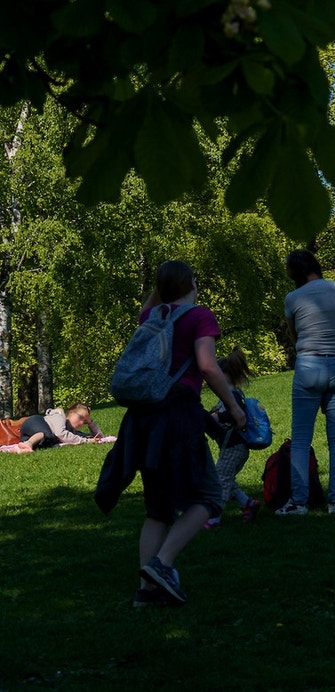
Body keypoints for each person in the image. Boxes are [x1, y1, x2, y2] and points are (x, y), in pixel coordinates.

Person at [94, 260, 247, 608]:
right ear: (192, 282)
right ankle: (161, 565)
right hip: (177, 418)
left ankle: (145, 592)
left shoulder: (153, 318)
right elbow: (208, 365)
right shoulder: (199, 317)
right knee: (208, 495)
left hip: (142, 422)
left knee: (158, 509)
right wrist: (234, 408)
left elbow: (145, 308)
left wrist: (161, 288)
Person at [280, 249, 335, 517]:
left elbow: (293, 334)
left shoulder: (292, 298)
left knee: (300, 439)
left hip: (309, 365)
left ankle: (299, 502)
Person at [205, 349, 262, 529]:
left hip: (235, 447)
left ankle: (214, 518)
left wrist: (218, 418)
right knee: (226, 478)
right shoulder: (225, 397)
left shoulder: (233, 395)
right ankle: (248, 503)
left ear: (225, 375)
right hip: (231, 447)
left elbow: (238, 416)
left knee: (221, 479)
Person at [6, 403, 108, 452]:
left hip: (33, 434)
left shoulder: (72, 432)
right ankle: (28, 444)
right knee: (47, 435)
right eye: (80, 417)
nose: (81, 422)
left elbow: (100, 437)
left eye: (84, 421)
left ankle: (23, 448)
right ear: (71, 413)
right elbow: (60, 433)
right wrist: (86, 442)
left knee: (46, 442)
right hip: (35, 422)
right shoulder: (60, 417)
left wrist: (90, 422)